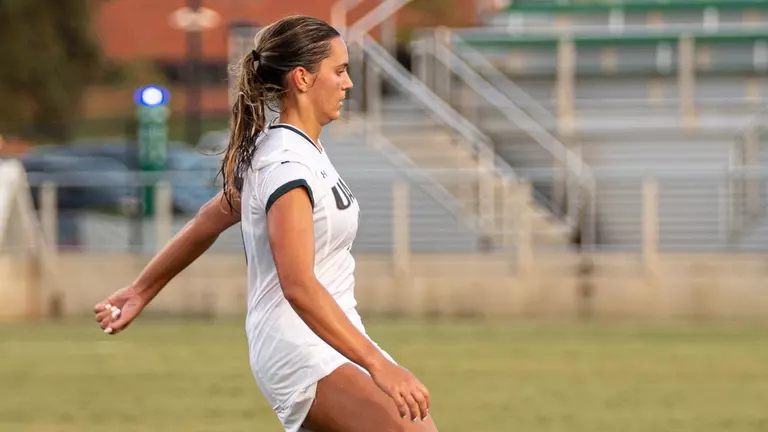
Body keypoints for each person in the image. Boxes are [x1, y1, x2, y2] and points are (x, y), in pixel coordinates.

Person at [93, 15, 438, 432]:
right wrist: (379, 365)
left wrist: (139, 290)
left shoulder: (291, 150)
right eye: (340, 71)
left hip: (328, 342)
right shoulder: (285, 164)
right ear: (303, 78)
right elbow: (298, 285)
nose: (348, 83)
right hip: (302, 349)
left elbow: (207, 219)